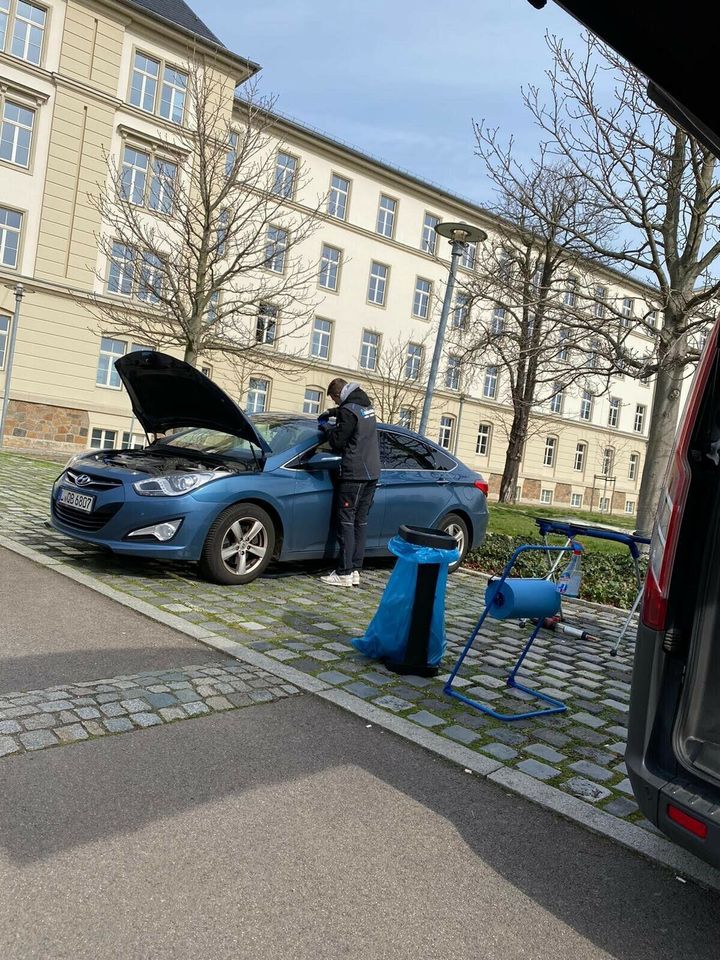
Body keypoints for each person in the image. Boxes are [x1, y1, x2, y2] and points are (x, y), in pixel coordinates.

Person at [318, 378, 380, 587]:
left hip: (354, 473)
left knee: (346, 521)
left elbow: (337, 441)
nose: (336, 404)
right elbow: (352, 416)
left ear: (338, 395)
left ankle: (343, 572)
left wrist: (326, 428)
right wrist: (335, 413)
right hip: (372, 473)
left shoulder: (348, 411)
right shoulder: (365, 403)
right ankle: (355, 570)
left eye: (335, 400)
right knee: (360, 522)